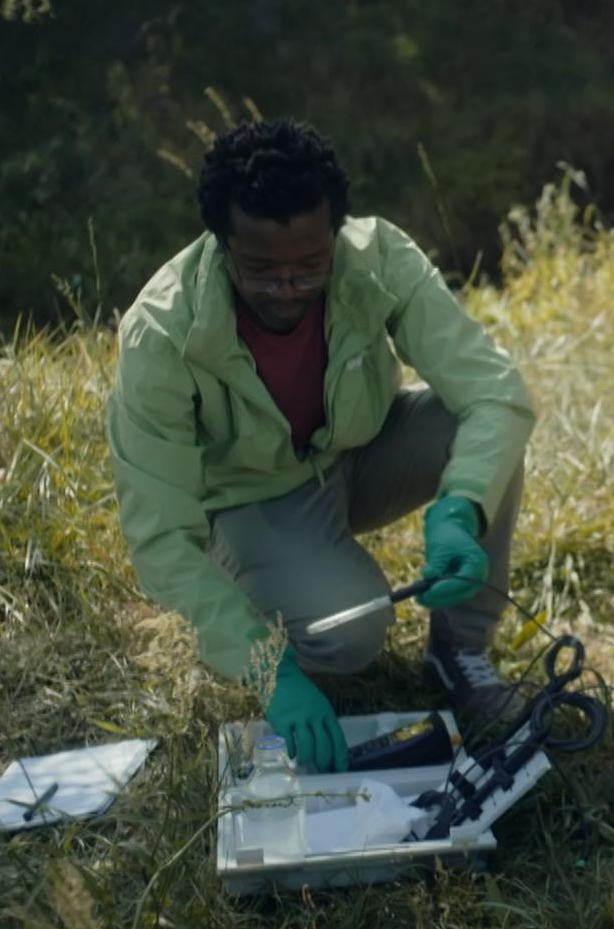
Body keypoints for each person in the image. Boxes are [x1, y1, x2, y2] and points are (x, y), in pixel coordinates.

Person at [107, 118, 535, 773]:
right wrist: (265, 667)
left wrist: (462, 509)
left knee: (476, 438)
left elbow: (494, 394)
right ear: (221, 244)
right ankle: (253, 581)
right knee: (354, 634)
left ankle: (461, 655)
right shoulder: (161, 335)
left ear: (337, 232)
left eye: (310, 265)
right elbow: (161, 537)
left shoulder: (380, 258)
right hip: (252, 499)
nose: (288, 288)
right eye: (262, 269)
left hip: (354, 454)